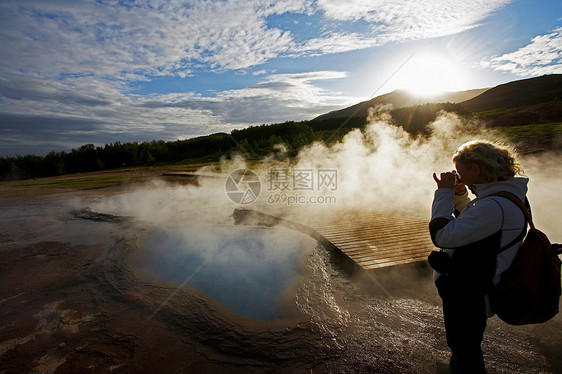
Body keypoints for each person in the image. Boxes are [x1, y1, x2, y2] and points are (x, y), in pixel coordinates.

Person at [428, 141, 528, 373]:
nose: (460, 179)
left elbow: (442, 235)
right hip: (477, 285)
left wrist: (443, 194)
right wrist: (461, 195)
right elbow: (475, 224)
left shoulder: (493, 206)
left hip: (469, 292)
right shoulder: (505, 198)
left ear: (476, 169)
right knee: (464, 345)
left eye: (462, 173)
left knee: (465, 347)